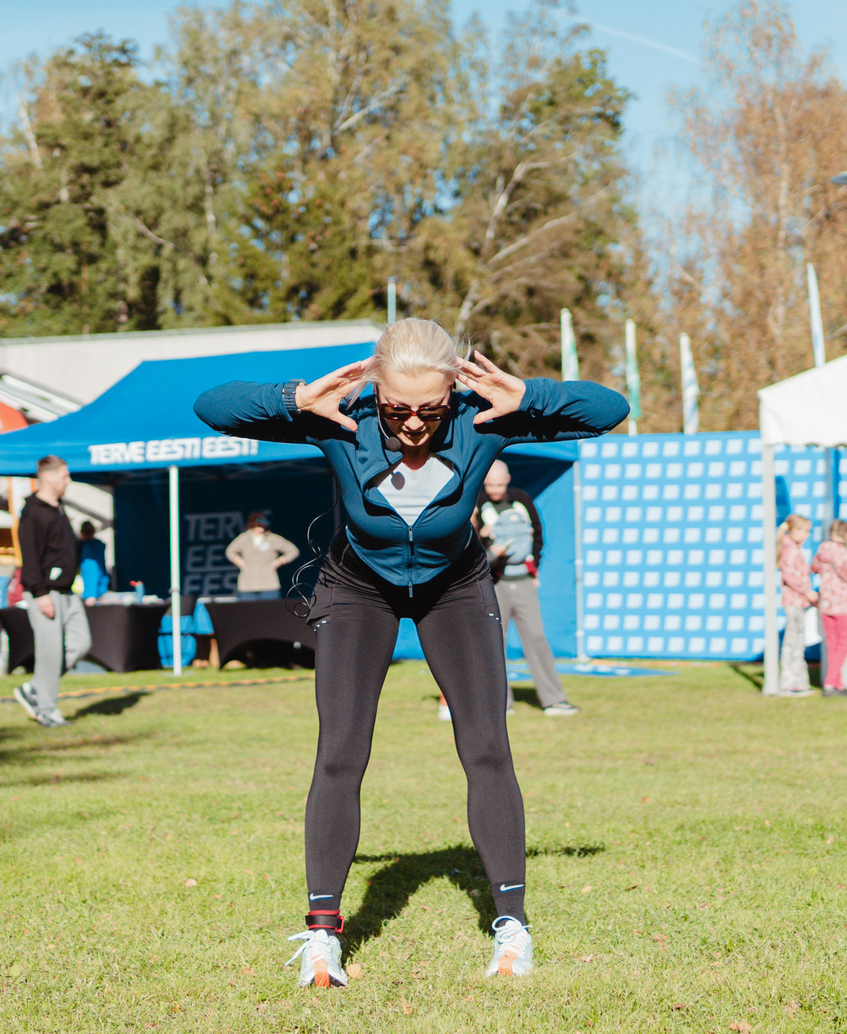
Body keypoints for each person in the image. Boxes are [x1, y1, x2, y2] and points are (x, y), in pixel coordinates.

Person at [194, 318, 628, 988]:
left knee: (486, 746)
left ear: (452, 390)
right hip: (355, 588)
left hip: (455, 588)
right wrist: (293, 399)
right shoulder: (342, 417)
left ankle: (512, 926)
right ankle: (322, 937)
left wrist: (531, 395)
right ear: (377, 388)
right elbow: (212, 407)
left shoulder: (483, 419)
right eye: (398, 409)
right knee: (340, 751)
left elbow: (609, 410)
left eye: (430, 408)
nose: (415, 424)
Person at [474, 460, 578, 716]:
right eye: (490, 485)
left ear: (507, 480)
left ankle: (554, 700)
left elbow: (537, 535)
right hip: (494, 584)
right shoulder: (477, 504)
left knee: (537, 638)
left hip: (523, 581)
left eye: (499, 485)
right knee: (494, 644)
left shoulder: (521, 500)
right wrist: (487, 541)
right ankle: (500, 704)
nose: (495, 490)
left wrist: (535, 569)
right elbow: (471, 547)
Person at [14, 456, 92, 728]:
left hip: (67, 591)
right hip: (46, 592)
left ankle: (35, 688)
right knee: (50, 653)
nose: (68, 481)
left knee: (82, 643)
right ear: (48, 477)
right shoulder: (32, 512)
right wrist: (40, 593)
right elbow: (29, 557)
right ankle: (46, 710)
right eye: (64, 476)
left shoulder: (58, 508)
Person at [811, 519, 847, 697]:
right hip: (842, 604)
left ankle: (838, 684)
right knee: (843, 645)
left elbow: (814, 568)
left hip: (825, 603)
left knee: (832, 645)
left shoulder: (822, 550)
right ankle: (830, 683)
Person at [776, 513, 816, 697]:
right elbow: (790, 575)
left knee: (797, 641)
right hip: (794, 601)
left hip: (797, 601)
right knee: (793, 642)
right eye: (806, 531)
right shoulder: (790, 549)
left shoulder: (792, 547)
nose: (808, 535)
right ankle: (789, 683)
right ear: (795, 530)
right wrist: (806, 591)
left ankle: (798, 682)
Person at [225, 512, 299, 599]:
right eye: (258, 524)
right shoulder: (244, 538)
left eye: (263, 524)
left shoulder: (272, 538)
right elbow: (230, 551)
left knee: (270, 607)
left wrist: (279, 562)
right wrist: (241, 563)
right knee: (247, 607)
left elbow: (293, 550)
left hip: (269, 585)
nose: (260, 527)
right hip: (247, 585)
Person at [77, 520, 110, 604]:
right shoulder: (99, 545)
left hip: (90, 588)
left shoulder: (85, 548)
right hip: (101, 585)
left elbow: (91, 573)